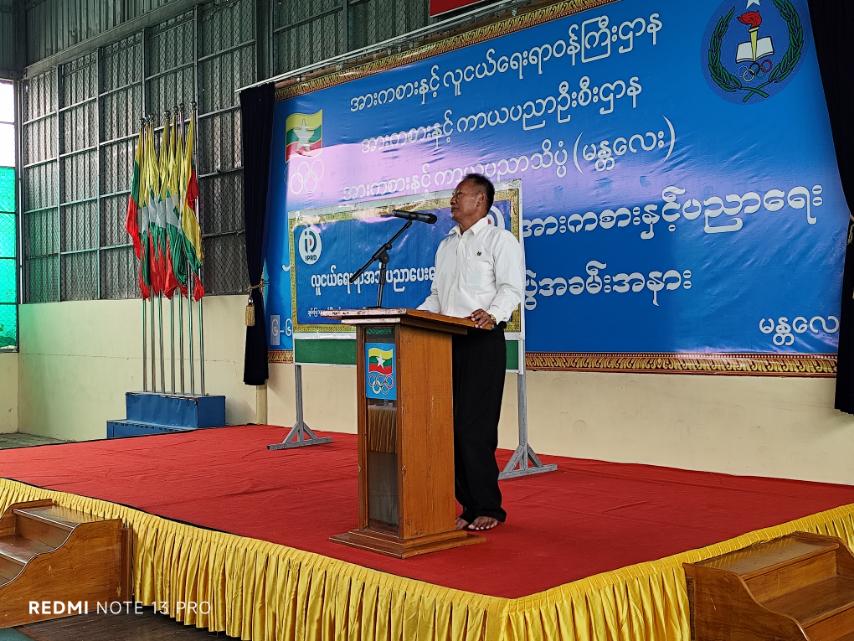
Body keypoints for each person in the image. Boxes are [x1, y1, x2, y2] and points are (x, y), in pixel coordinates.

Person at [418, 173, 524, 531]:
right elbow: (437, 296)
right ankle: (467, 505)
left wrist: (492, 313)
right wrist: (415, 316)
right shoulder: (446, 245)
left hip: (481, 339)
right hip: (445, 341)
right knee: (448, 427)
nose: (452, 200)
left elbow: (511, 288)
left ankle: (489, 507)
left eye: (459, 194)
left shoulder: (500, 240)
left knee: (473, 428)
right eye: (453, 194)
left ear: (480, 200)